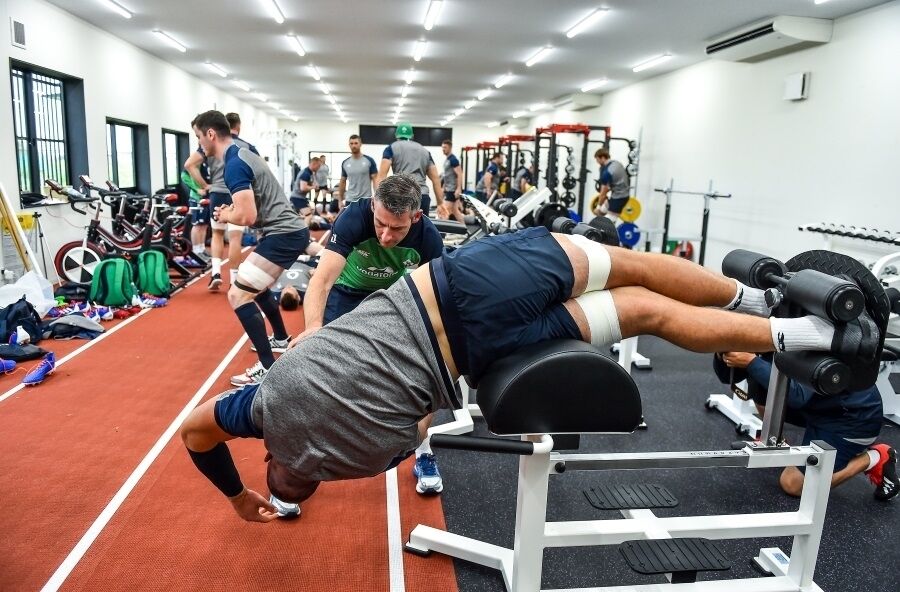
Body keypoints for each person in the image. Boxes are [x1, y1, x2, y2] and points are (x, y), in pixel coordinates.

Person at [182, 213, 881, 522]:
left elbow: (421, 420)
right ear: (269, 452)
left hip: (485, 357)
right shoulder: (264, 404)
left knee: (643, 313)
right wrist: (238, 496)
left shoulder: (361, 463)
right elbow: (196, 431)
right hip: (457, 289)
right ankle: (762, 295)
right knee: (630, 266)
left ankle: (799, 330)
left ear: (314, 480)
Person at [191, 110, 310, 387]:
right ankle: (280, 338)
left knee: (238, 295)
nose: (198, 145)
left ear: (211, 134)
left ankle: (269, 368)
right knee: (256, 286)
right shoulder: (242, 155)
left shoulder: (234, 164)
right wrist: (230, 211)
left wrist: (225, 215)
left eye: (198, 137)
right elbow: (249, 208)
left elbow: (247, 217)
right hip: (284, 231)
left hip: (284, 234)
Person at [718, 351, 897, 501]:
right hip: (819, 408)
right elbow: (726, 377)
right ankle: (774, 441)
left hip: (851, 422)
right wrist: (723, 352)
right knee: (761, 383)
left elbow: (798, 396)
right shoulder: (770, 328)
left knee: (792, 484)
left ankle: (875, 457)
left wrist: (751, 361)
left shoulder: (812, 338)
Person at [377, 123, 446, 218]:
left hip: (402, 196)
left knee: (403, 230)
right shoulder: (424, 151)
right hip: (422, 196)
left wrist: (378, 200)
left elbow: (382, 176)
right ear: (412, 135)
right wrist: (440, 202)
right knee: (422, 230)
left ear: (396, 135)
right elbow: (435, 179)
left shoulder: (391, 148)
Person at [337, 135, 377, 210]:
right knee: (349, 221)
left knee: (366, 222)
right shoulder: (345, 163)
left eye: (356, 143)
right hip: (350, 200)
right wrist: (340, 200)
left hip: (366, 199)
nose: (353, 146)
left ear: (360, 144)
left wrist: (377, 198)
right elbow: (342, 182)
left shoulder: (369, 160)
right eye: (351, 143)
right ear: (349, 145)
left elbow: (375, 180)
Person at [591, 148, 630, 220]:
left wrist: (598, 206)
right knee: (600, 212)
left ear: (602, 158)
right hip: (616, 196)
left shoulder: (607, 172)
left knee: (606, 224)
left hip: (619, 199)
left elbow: (603, 194)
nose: (597, 162)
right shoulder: (616, 163)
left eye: (597, 160)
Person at [440, 140, 464, 223]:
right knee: (455, 211)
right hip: (449, 189)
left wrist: (458, 188)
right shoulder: (448, 159)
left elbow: (459, 174)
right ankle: (464, 232)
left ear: (450, 148)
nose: (443, 149)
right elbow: (447, 175)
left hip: (452, 190)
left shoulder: (453, 159)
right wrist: (443, 187)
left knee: (444, 211)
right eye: (442, 147)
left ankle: (442, 234)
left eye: (445, 147)